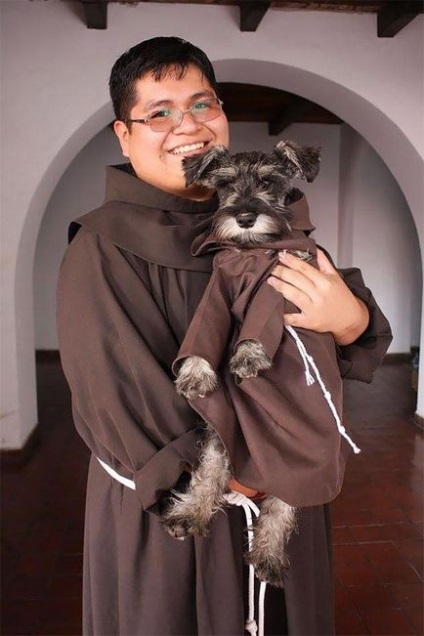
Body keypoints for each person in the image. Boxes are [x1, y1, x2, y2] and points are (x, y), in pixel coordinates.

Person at [57, 36, 392, 636]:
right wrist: (256, 472)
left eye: (203, 105)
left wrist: (350, 321)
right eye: (159, 112)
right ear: (124, 134)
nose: (188, 125)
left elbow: (335, 339)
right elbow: (117, 397)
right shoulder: (101, 247)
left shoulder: (274, 222)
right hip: (186, 501)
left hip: (284, 485)